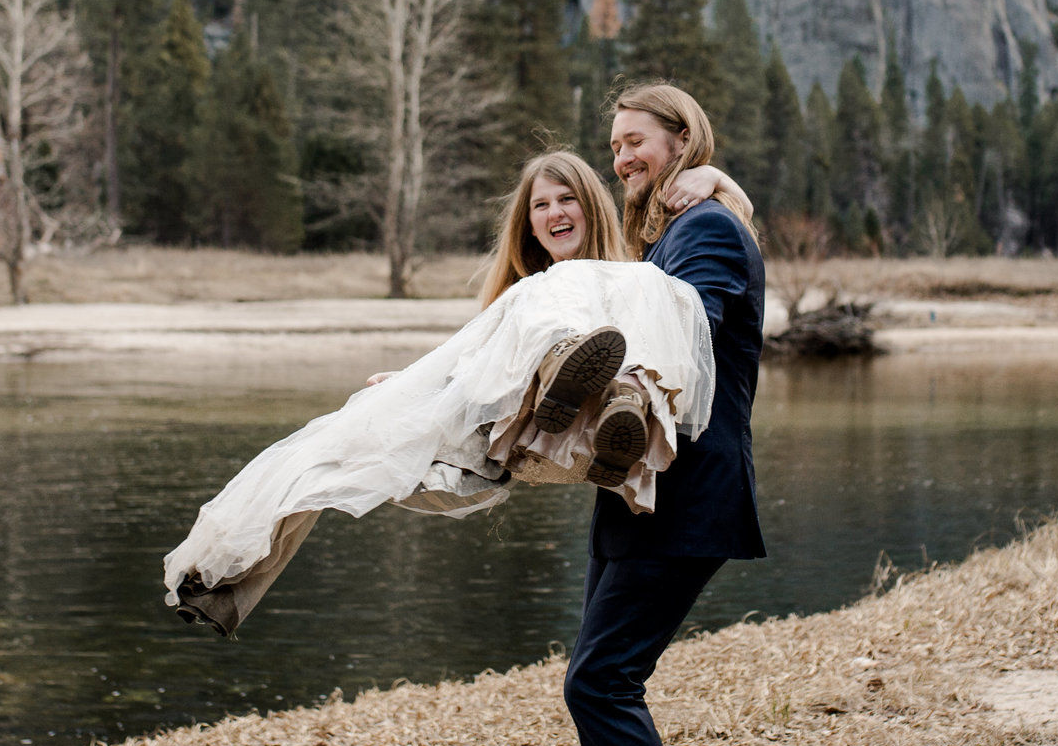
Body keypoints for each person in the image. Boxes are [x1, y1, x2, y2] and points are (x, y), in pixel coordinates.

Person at [162, 149, 744, 636]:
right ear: (529, 225)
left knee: (592, 305)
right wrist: (414, 385)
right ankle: (221, 581)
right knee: (335, 450)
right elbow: (469, 363)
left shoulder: (638, 275)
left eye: (566, 199)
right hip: (515, 435)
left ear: (592, 205)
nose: (554, 212)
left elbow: (723, 248)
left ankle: (615, 399)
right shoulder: (530, 294)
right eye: (541, 205)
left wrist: (718, 178)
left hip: (593, 438)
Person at [530, 82, 764, 746]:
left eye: (637, 140)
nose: (622, 155)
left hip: (689, 493)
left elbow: (688, 331)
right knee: (597, 679)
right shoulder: (671, 232)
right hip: (635, 494)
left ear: (682, 138)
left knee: (600, 681)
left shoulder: (703, 229)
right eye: (615, 143)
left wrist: (721, 193)